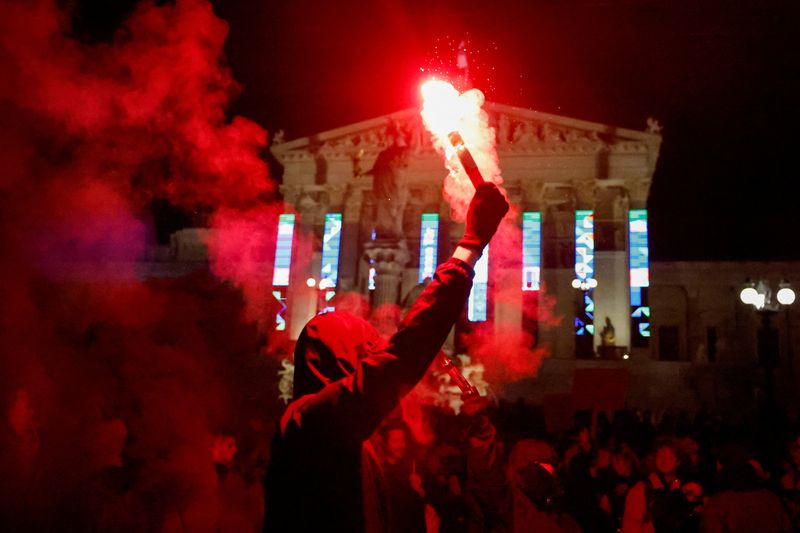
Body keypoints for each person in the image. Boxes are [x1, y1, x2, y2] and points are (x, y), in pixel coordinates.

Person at [262, 183, 509, 532]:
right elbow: (399, 360)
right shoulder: (312, 421)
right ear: (341, 358)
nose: (374, 361)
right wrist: (469, 247)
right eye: (367, 354)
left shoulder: (351, 438)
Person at [622, 438, 694, 533]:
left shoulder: (684, 488)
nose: (664, 460)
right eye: (660, 455)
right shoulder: (642, 489)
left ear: (678, 461)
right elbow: (630, 527)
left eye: (669, 456)